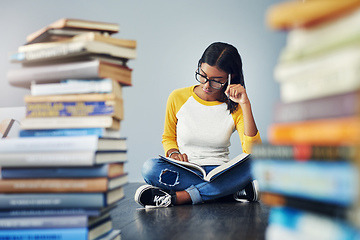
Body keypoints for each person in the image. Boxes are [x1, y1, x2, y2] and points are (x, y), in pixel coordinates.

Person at [134, 42, 262, 208]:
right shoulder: (177, 97)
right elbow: (168, 137)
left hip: (222, 172)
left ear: (231, 77)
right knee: (149, 168)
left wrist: (245, 104)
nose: (207, 85)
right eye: (203, 76)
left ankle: (180, 197)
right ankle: (229, 191)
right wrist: (173, 153)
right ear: (199, 67)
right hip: (187, 171)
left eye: (217, 81)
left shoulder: (236, 106)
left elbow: (252, 152)